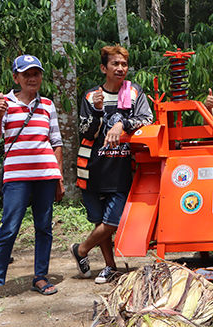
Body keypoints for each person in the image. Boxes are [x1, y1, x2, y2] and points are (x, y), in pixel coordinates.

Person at [0, 55, 64, 305]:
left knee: (44, 228)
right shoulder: (2, 103)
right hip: (16, 178)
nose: (32, 78)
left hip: (46, 177)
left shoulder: (47, 104)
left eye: (36, 73)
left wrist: (59, 177)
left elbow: (56, 142)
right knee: (8, 229)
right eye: (26, 74)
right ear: (15, 77)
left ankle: (40, 277)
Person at [71, 45, 153, 284]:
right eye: (115, 64)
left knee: (112, 221)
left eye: (124, 64)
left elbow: (147, 118)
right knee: (99, 221)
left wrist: (122, 125)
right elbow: (85, 131)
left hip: (121, 167)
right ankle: (110, 266)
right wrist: (97, 111)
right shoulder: (90, 96)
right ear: (103, 68)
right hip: (93, 166)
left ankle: (81, 250)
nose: (120, 68)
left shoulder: (135, 92)